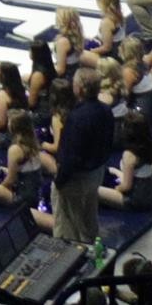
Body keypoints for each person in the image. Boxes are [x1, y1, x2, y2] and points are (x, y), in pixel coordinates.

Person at [48, 64, 114, 255]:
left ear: (81, 89)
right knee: (89, 218)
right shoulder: (105, 110)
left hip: (76, 178)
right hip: (96, 173)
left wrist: (60, 181)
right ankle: (95, 253)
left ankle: (69, 260)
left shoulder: (76, 118)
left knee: (67, 226)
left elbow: (71, 156)